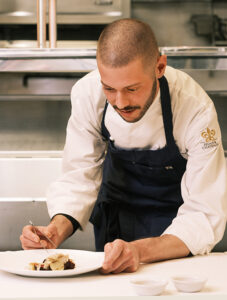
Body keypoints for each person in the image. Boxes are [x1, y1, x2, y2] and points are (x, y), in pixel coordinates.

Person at [20, 18, 227, 274]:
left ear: (159, 67)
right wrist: (54, 231)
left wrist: (139, 251)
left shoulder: (194, 109)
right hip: (115, 222)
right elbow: (79, 177)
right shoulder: (87, 94)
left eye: (132, 88)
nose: (120, 102)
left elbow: (204, 213)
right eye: (109, 88)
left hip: (176, 232)